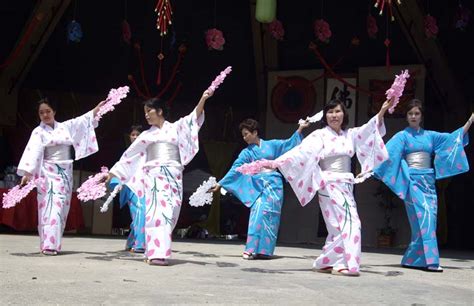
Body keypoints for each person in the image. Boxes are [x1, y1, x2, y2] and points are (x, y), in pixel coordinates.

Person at [266, 98, 394, 276]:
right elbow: (300, 153)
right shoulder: (320, 136)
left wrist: (381, 111)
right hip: (328, 184)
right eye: (330, 112)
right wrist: (275, 163)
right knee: (351, 222)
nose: (334, 115)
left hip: (346, 184)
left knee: (336, 226)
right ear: (325, 116)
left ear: (344, 114)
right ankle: (345, 263)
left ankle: (326, 261)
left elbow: (369, 130)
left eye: (338, 111)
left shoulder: (350, 135)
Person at [107, 90, 212, 266]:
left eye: (149, 111)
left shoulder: (176, 128)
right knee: (157, 213)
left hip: (173, 175)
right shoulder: (146, 135)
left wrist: (203, 98)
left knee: (171, 213)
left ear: (160, 111)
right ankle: (158, 253)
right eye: (145, 112)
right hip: (154, 177)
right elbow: (128, 156)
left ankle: (153, 247)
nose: (147, 115)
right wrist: (112, 174)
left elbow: (193, 118)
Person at [374, 99, 473, 272]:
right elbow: (386, 154)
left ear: (421, 116)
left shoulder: (430, 136)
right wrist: (371, 168)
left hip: (428, 182)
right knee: (423, 218)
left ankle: (412, 259)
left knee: (429, 221)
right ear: (406, 116)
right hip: (412, 182)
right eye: (410, 113)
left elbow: (453, 139)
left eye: (416, 113)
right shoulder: (402, 136)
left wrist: (471, 120)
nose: (413, 116)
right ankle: (431, 261)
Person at [210, 119, 309, 259]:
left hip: (275, 185)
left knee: (271, 216)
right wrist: (221, 184)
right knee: (257, 215)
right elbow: (235, 168)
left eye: (246, 134)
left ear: (255, 132)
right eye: (243, 135)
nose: (244, 138)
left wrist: (300, 129)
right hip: (258, 186)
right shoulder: (246, 153)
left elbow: (288, 144)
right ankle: (250, 248)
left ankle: (265, 251)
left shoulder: (272, 145)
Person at [17, 97, 105, 255]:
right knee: (50, 206)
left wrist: (95, 110)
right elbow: (33, 151)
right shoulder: (38, 132)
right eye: (41, 112)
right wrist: (28, 173)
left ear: (54, 112)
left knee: (62, 207)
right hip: (47, 173)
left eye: (48, 111)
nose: (45, 115)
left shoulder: (65, 127)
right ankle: (49, 245)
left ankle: (52, 243)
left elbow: (82, 121)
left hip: (65, 172)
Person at [109, 125, 146, 253]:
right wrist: (114, 182)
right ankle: (140, 244)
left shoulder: (149, 149)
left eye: (138, 134)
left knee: (142, 215)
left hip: (147, 186)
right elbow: (120, 168)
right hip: (132, 187)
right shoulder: (128, 153)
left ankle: (131, 242)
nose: (135, 137)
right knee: (140, 212)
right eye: (133, 134)